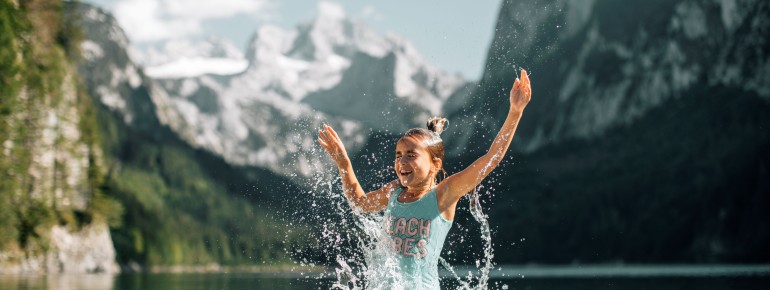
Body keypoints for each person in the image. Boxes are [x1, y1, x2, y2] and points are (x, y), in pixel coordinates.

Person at [317, 69, 532, 289]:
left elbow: (491, 159)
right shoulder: (394, 193)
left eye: (411, 156)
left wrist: (515, 111)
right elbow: (359, 203)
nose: (402, 162)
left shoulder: (443, 194)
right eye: (398, 155)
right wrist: (343, 162)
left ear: (435, 165)